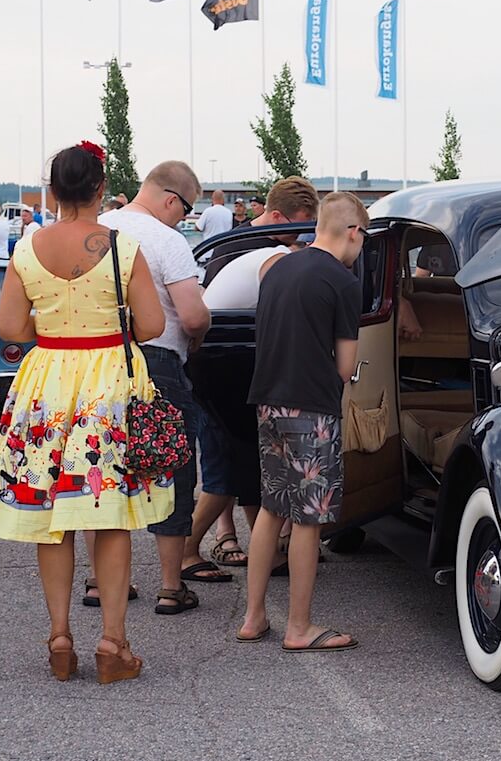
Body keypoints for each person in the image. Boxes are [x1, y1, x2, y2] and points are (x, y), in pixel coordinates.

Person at [0, 142, 168, 683]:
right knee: (108, 515)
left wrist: (56, 333)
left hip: (47, 384)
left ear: (54, 190)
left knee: (50, 519)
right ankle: (113, 643)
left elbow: (12, 329)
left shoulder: (26, 249)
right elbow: (153, 326)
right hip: (107, 383)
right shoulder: (121, 246)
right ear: (101, 189)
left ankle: (60, 638)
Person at [237, 192, 367, 651]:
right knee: (309, 519)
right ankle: (299, 627)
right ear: (352, 231)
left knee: (272, 510)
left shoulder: (277, 268)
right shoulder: (343, 281)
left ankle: (253, 617)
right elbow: (345, 362)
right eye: (362, 237)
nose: (360, 246)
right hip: (311, 407)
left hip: (268, 401)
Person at [182, 178, 319, 574]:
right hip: (226, 370)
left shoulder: (231, 245)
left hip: (213, 365)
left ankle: (264, 550)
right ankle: (186, 554)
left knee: (240, 466)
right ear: (276, 217)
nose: (299, 236)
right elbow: (292, 303)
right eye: (297, 226)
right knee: (227, 471)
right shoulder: (273, 253)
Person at [100, 161, 218, 613]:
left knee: (105, 465)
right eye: (186, 211)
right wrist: (200, 336)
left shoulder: (99, 228)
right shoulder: (168, 240)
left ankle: (100, 581)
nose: (183, 220)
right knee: (170, 469)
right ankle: (171, 586)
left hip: (100, 364)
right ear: (172, 199)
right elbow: (192, 315)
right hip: (157, 363)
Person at [203, 181, 315, 285]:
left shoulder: (300, 247)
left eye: (305, 228)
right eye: (295, 229)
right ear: (276, 216)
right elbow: (209, 297)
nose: (300, 235)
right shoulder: (230, 246)